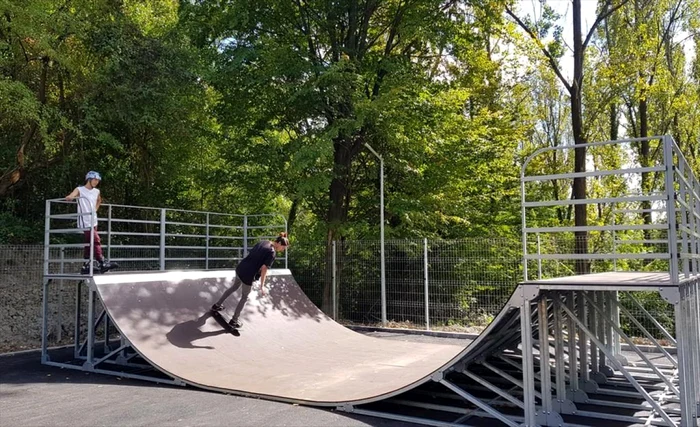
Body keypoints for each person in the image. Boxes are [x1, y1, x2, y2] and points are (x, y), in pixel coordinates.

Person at [211, 232, 289, 328]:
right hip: (248, 274)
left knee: (234, 287)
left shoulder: (264, 242)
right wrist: (262, 285)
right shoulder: (272, 253)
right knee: (244, 297)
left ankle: (217, 305)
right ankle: (234, 320)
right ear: (280, 244)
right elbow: (264, 269)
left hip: (241, 268)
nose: (283, 250)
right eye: (283, 248)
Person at [65, 171, 118, 274]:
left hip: (93, 220)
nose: (96, 182)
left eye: (98, 180)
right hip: (84, 221)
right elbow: (72, 195)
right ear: (89, 180)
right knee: (96, 240)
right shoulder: (80, 189)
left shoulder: (96, 191)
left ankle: (86, 266)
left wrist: (95, 210)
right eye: (95, 180)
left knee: (89, 243)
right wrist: (70, 197)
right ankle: (101, 262)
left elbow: (99, 200)